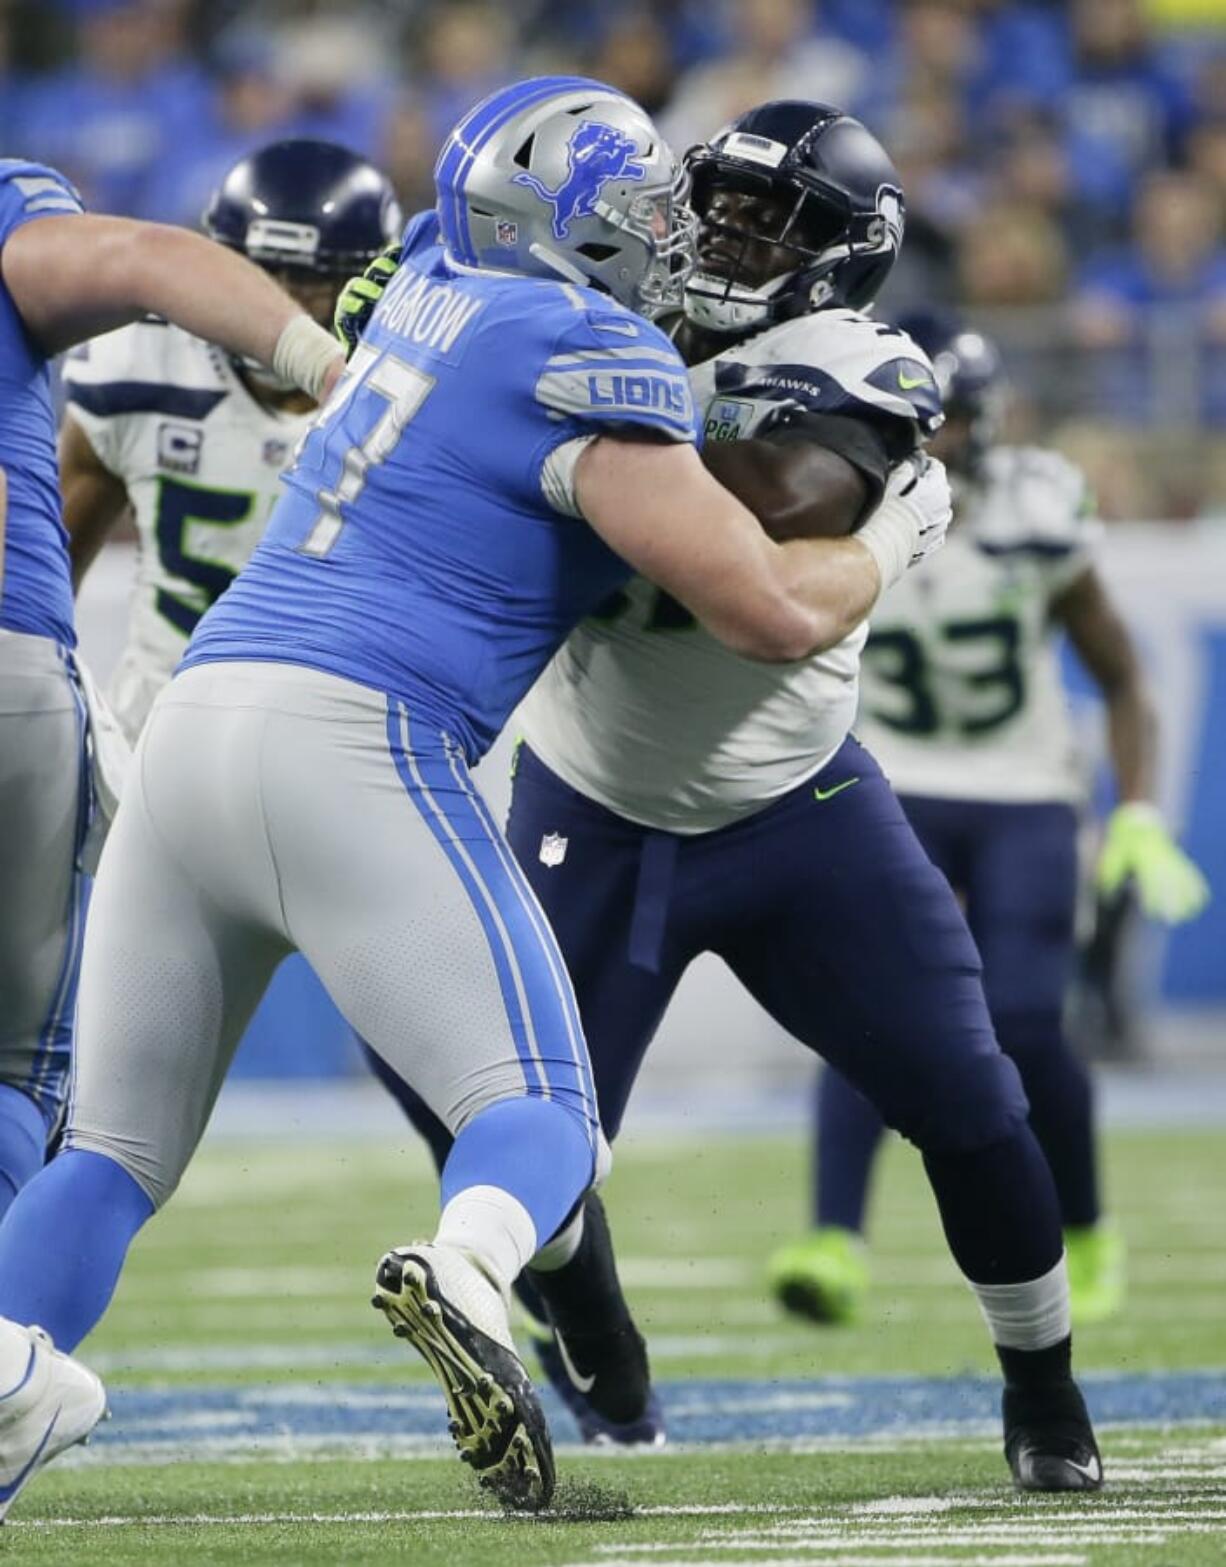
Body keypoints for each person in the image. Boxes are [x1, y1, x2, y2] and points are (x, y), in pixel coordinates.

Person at [0, 78, 920, 1519]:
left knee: (110, 1153)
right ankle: (471, 1267)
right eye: (639, 203)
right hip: (356, 737)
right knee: (548, 1112)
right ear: (565, 218)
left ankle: (4, 1369)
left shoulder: (423, 281)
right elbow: (761, 609)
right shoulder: (589, 347)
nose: (670, 225)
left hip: (192, 723)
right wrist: (897, 530)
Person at [354, 99, 1106, 1494]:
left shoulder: (851, 361)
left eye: (777, 220)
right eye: (724, 200)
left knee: (971, 1102)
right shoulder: (578, 294)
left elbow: (765, 513)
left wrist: (550, 366)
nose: (730, 232)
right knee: (520, 1129)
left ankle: (1042, 1386)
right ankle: (601, 1348)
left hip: (796, 807)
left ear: (842, 262)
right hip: (590, 798)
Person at [769, 313, 1209, 1329]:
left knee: (1018, 1019)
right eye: (913, 421)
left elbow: (1118, 671)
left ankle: (1084, 1222)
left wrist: (1136, 809)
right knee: (869, 1013)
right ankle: (833, 1235)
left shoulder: (1037, 505)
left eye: (950, 420)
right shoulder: (823, 500)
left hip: (1020, 788)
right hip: (893, 780)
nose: (936, 444)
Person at [61, 139, 403, 742]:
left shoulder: (409, 402)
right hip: (154, 732)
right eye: (259, 274)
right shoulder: (140, 366)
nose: (282, 307)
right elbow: (42, 584)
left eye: (313, 282)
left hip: (330, 741)